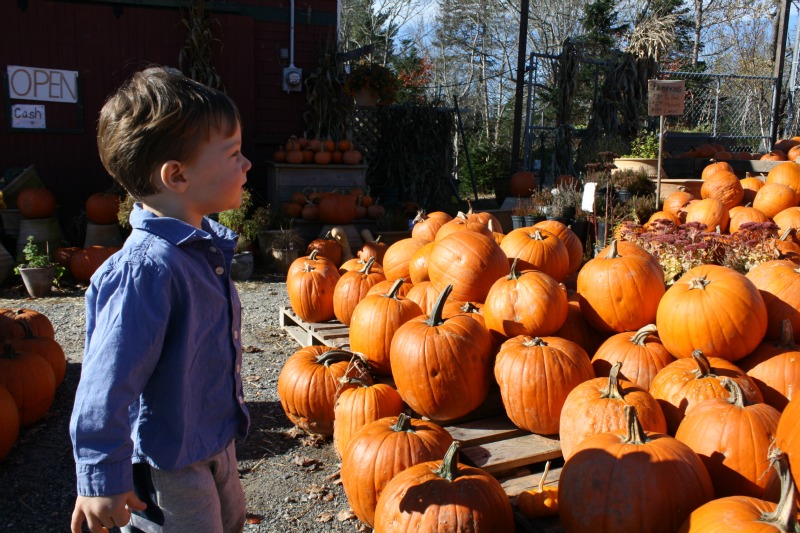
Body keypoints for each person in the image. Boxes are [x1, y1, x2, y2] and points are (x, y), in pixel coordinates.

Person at [70, 66, 252, 533]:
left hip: (214, 443)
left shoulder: (200, 249)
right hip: (170, 464)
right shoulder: (145, 271)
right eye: (233, 153)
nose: (246, 163)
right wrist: (100, 478)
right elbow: (106, 384)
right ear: (177, 176)